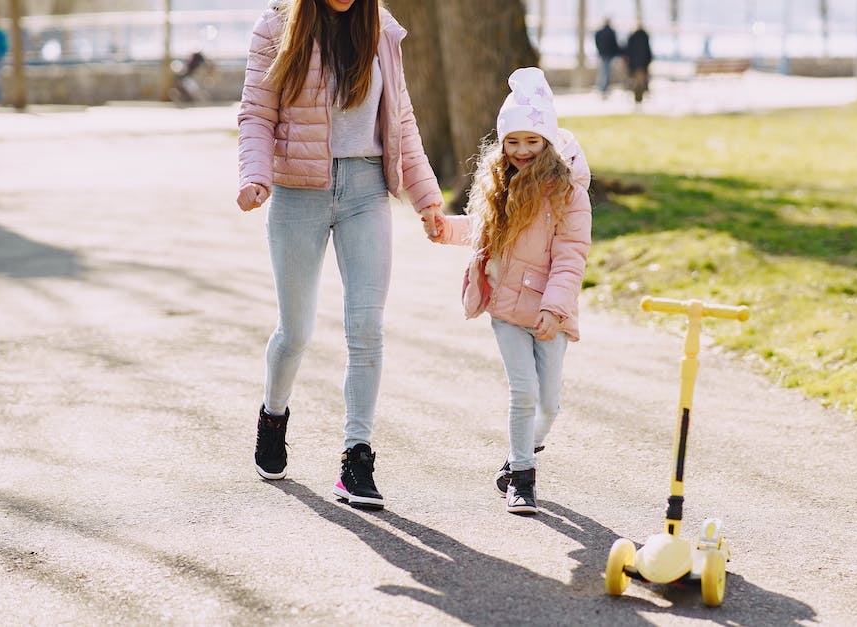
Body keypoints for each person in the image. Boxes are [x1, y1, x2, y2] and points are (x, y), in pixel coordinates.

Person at [236, 0, 444, 510]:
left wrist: (427, 199)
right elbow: (257, 113)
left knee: (366, 326)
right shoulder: (276, 26)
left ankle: (356, 457)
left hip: (366, 189)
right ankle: (273, 415)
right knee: (295, 331)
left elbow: (401, 118)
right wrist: (255, 175)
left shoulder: (382, 29)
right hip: (296, 191)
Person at [425, 68, 592, 515]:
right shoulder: (498, 184)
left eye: (532, 141)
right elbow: (481, 232)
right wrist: (445, 229)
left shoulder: (569, 195)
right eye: (512, 142)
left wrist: (555, 309)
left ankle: (525, 448)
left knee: (549, 404)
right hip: (505, 307)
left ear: (548, 142)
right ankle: (522, 476)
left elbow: (571, 257)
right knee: (524, 393)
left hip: (550, 312)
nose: (521, 151)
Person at [624, 24, 653, 104]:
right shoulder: (644, 37)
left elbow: (628, 51)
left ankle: (638, 96)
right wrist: (648, 62)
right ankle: (639, 96)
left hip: (635, 63)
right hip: (642, 63)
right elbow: (648, 51)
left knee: (637, 81)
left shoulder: (632, 37)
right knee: (641, 81)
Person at [593, 18, 622, 98]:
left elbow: (597, 41)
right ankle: (603, 88)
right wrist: (617, 53)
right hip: (608, 54)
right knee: (606, 71)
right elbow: (614, 44)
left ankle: (602, 87)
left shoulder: (600, 32)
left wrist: (599, 50)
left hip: (602, 54)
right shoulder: (611, 32)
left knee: (603, 71)